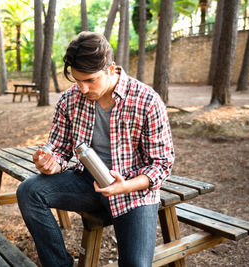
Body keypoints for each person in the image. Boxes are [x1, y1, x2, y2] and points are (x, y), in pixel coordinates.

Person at [17, 31, 175, 267]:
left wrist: (126, 186)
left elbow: (161, 164)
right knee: (28, 191)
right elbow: (59, 150)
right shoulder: (69, 100)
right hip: (87, 184)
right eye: (77, 80)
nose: (82, 89)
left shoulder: (147, 100)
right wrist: (49, 163)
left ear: (111, 69)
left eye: (90, 80)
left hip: (132, 193)